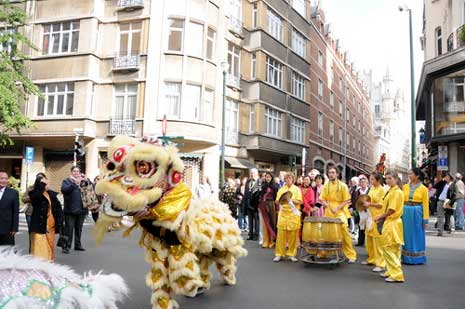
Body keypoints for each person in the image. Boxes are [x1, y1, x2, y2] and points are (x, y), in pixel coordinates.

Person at [319, 166, 357, 263]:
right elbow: (321, 198)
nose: (330, 174)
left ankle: (350, 254)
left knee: (344, 230)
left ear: (337, 174)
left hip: (340, 210)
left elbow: (347, 200)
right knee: (326, 232)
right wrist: (325, 203)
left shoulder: (343, 186)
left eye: (332, 172)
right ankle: (324, 252)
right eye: (329, 172)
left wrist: (338, 208)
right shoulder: (326, 185)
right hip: (328, 209)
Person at [374, 171, 405, 283]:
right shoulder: (391, 191)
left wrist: (380, 217)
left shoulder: (396, 192)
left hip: (392, 222)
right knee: (393, 249)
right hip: (392, 222)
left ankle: (396, 274)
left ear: (396, 179)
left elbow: (391, 210)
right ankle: (391, 271)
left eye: (390, 178)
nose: (387, 180)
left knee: (388, 248)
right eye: (386, 178)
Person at [29, 174, 64, 261]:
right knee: (39, 244)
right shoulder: (34, 193)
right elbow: (36, 199)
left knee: (50, 244)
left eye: (46, 182)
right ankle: (39, 263)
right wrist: (41, 185)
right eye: (43, 182)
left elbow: (58, 208)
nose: (46, 184)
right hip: (39, 224)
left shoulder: (51, 194)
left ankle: (49, 261)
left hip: (50, 224)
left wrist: (60, 221)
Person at [401, 168, 429, 265]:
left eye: (411, 174)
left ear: (417, 175)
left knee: (417, 233)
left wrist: (425, 220)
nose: (409, 176)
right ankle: (406, 258)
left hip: (417, 212)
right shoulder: (404, 187)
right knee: (406, 234)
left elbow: (425, 205)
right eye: (408, 174)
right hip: (405, 212)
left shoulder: (423, 189)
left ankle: (418, 258)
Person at [273, 173, 303, 262]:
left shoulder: (297, 189)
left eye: (290, 178)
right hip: (283, 215)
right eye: (286, 178)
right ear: (284, 179)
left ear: (293, 179)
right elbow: (277, 201)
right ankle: (279, 254)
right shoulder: (281, 189)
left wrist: (291, 200)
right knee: (281, 236)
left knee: (293, 236)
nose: (288, 179)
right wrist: (279, 201)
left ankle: (291, 254)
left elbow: (300, 201)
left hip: (293, 215)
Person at [363, 173, 386, 272]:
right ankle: (372, 258)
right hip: (369, 216)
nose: (370, 181)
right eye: (370, 179)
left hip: (377, 216)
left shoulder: (382, 190)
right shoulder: (372, 188)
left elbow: (381, 205)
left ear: (378, 180)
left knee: (377, 240)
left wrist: (370, 204)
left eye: (372, 179)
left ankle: (380, 263)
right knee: (369, 239)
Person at [61, 166, 87, 253]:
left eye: (78, 171)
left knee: (79, 229)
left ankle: (78, 245)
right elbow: (64, 190)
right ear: (71, 172)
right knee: (69, 229)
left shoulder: (83, 182)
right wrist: (74, 183)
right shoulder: (66, 181)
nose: (76, 173)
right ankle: (66, 246)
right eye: (74, 171)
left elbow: (90, 191)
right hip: (70, 210)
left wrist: (86, 180)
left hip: (82, 210)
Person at [259, 172, 278, 248]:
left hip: (271, 205)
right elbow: (261, 196)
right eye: (266, 177)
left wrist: (277, 208)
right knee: (265, 223)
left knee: (272, 223)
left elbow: (277, 198)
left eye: (269, 177)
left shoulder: (275, 186)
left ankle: (272, 241)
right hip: (263, 204)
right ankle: (266, 240)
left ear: (272, 178)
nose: (267, 178)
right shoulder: (263, 186)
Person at [0, 170, 19, 246]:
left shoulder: (13, 193)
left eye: (6, 178)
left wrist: (14, 228)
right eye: (1, 178)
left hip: (7, 228)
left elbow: (15, 211)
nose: (4, 181)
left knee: (7, 252)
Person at [244, 169, 261, 241]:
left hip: (256, 205)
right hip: (248, 204)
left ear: (257, 174)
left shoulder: (260, 182)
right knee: (250, 221)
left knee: (257, 221)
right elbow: (246, 193)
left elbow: (260, 194)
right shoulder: (248, 181)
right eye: (251, 173)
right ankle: (250, 235)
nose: (252, 174)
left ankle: (256, 235)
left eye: (253, 173)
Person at [355, 175, 370, 247]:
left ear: (367, 183)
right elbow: (354, 200)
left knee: (368, 226)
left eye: (364, 182)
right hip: (360, 210)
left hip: (368, 210)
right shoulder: (357, 191)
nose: (363, 183)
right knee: (361, 226)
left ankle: (368, 242)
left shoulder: (370, 190)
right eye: (361, 182)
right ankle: (360, 241)